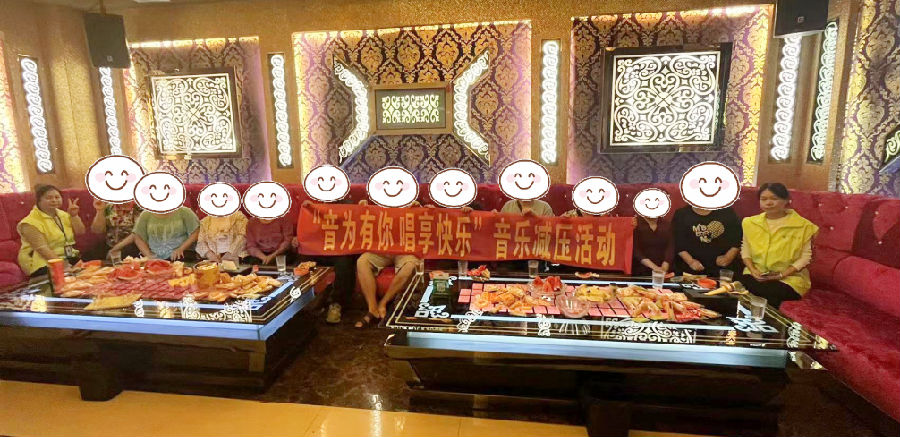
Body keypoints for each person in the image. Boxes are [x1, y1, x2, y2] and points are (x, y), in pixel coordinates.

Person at [741, 183, 818, 308]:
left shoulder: (804, 226)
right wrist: (753, 270)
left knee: (769, 292)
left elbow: (805, 258)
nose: (768, 203)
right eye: (763, 199)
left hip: (789, 279)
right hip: (756, 274)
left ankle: (767, 319)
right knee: (740, 286)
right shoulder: (750, 223)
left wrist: (781, 275)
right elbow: (746, 249)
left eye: (774, 198)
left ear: (786, 200)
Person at [354, 199, 428, 328]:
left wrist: (420, 209)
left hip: (406, 249)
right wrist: (362, 209)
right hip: (382, 247)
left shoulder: (414, 198)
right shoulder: (376, 197)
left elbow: (427, 220)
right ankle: (372, 308)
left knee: (410, 266)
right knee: (362, 261)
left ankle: (383, 303)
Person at [17, 185, 86, 276]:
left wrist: (74, 216)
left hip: (66, 256)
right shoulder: (29, 222)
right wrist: (63, 266)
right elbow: (43, 249)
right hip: (41, 262)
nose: (54, 200)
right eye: (49, 198)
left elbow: (80, 232)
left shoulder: (63, 215)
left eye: (57, 197)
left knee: (91, 274)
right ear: (39, 201)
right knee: (69, 279)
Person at [672, 203, 742, 277]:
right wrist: (690, 261)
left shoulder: (727, 212)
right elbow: (677, 243)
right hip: (690, 268)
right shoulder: (681, 214)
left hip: (723, 269)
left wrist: (728, 257)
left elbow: (737, 239)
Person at [132, 206, 200, 261]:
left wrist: (181, 249)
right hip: (154, 258)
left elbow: (196, 232)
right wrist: (148, 255)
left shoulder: (184, 211)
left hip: (181, 257)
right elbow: (138, 237)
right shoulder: (145, 214)